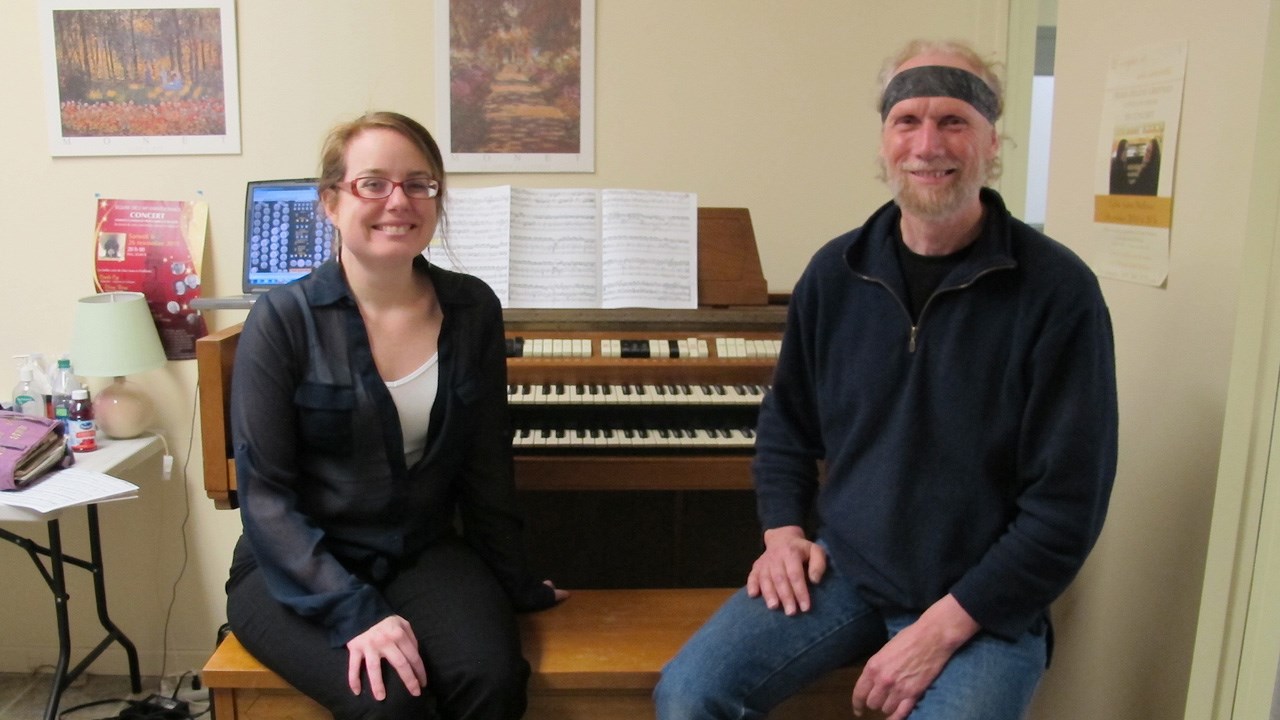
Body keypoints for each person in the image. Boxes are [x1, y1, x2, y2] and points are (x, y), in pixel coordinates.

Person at [654, 39, 1117, 720]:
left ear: (992, 143)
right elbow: (786, 425)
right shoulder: (834, 273)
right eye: (908, 121)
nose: (927, 145)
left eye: (953, 121)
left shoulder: (1059, 292)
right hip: (846, 570)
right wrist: (782, 533)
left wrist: (940, 629)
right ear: (884, 142)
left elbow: (1066, 510)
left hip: (983, 599)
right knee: (690, 692)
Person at [225, 111, 568, 720]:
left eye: (418, 183)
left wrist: (514, 581)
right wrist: (353, 612)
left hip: (420, 549)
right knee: (389, 702)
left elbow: (487, 465)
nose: (399, 201)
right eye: (373, 183)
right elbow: (267, 498)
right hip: (296, 565)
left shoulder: (472, 308)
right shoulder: (281, 320)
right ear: (331, 202)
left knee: (490, 679)